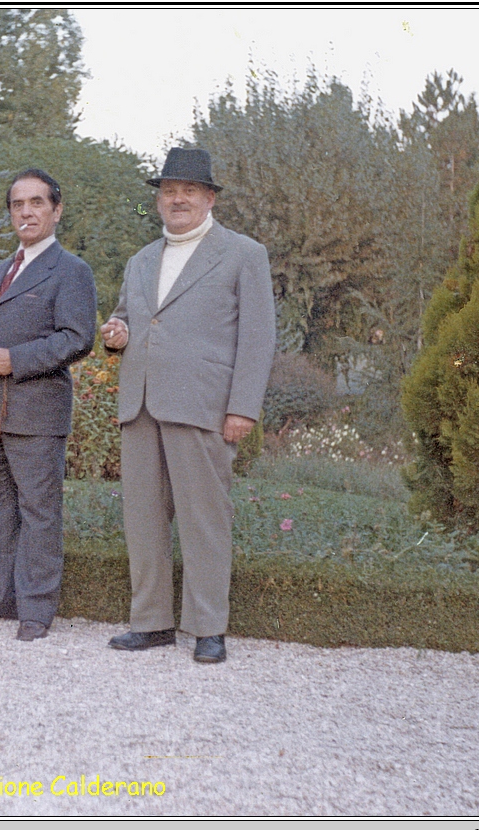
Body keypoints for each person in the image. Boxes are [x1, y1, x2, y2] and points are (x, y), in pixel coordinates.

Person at [100, 147, 275, 663]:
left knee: (204, 520)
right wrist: (116, 333)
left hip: (203, 405)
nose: (177, 199)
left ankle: (207, 628)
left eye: (189, 190)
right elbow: (127, 317)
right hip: (141, 404)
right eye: (169, 190)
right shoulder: (141, 259)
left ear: (209, 197)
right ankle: (150, 621)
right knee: (143, 519)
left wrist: (242, 407)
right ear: (158, 200)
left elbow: (259, 338)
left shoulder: (244, 254)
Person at [0, 169, 96, 641]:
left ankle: (35, 610)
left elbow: (78, 338)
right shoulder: (1, 269)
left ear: (57, 209)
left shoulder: (72, 271)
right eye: (18, 204)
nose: (27, 211)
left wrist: (16, 359)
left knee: (38, 510)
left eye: (37, 202)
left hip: (37, 413)